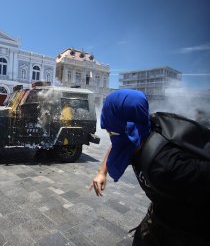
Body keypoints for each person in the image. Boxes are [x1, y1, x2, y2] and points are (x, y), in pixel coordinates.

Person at [89, 89, 210, 245]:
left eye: (110, 129)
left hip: (186, 230)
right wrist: (101, 172)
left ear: (127, 129)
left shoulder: (165, 165)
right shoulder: (141, 129)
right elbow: (117, 143)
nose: (108, 132)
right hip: (161, 213)